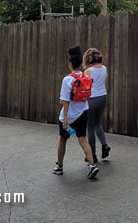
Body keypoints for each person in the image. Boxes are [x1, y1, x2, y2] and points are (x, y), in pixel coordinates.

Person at [52, 45, 99, 179]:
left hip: (70, 116)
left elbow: (65, 101)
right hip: (83, 113)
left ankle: (59, 166)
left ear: (70, 64)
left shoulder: (67, 80)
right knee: (83, 140)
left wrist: (65, 119)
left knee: (62, 140)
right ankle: (91, 165)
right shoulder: (85, 78)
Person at [84, 47, 111, 163]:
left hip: (92, 99)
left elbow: (85, 89)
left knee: (90, 127)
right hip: (103, 98)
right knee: (97, 123)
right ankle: (104, 145)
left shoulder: (88, 71)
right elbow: (105, 84)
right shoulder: (104, 68)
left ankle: (92, 155)